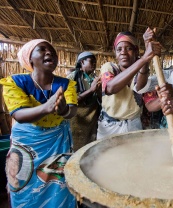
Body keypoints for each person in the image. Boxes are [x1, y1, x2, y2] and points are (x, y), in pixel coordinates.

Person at [0, 39, 77, 207]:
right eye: (42, 50)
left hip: (58, 145)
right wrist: (47, 107)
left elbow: (72, 111)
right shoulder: (15, 82)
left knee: (59, 186)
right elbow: (19, 114)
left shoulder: (66, 84)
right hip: (27, 146)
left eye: (52, 52)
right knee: (24, 188)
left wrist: (63, 110)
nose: (49, 53)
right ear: (30, 59)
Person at [97, 28, 161, 139]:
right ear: (115, 53)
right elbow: (110, 88)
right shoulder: (109, 67)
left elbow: (140, 87)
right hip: (109, 127)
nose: (123, 52)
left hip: (133, 126)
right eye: (119, 49)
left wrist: (147, 51)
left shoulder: (140, 72)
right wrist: (145, 57)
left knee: (133, 156)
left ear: (136, 52)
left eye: (129, 48)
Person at [67, 51, 101, 150]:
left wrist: (98, 91)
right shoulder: (72, 77)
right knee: (77, 146)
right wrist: (91, 90)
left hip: (92, 119)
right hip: (78, 120)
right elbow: (70, 100)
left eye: (95, 62)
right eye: (91, 61)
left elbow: (101, 100)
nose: (94, 64)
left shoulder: (95, 78)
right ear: (82, 62)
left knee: (90, 146)